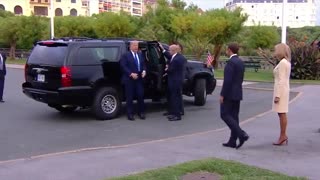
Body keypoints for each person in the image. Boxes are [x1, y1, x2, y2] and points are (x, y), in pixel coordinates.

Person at [220, 42, 249, 149]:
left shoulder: (231, 63)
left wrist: (222, 94)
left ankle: (241, 134)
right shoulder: (240, 62)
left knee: (224, 114)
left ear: (229, 50)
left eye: (227, 49)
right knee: (234, 116)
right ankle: (232, 140)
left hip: (229, 94)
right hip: (237, 92)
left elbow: (227, 81)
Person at [120, 41, 146, 121]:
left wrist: (144, 71)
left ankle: (141, 112)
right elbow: (123, 66)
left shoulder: (140, 54)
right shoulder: (126, 55)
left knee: (140, 95)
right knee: (129, 97)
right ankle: (130, 114)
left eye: (137, 45)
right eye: (134, 45)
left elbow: (143, 64)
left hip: (139, 79)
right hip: (129, 79)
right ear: (130, 46)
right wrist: (131, 74)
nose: (136, 47)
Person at [159, 44, 185, 121]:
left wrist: (167, 68)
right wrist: (162, 49)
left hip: (175, 81)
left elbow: (171, 70)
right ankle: (173, 112)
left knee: (175, 98)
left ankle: (177, 115)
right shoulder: (176, 57)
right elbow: (169, 57)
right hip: (174, 81)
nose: (169, 51)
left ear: (173, 51)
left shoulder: (177, 59)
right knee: (173, 97)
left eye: (169, 50)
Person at [272, 43, 291, 146]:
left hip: (281, 90)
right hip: (283, 89)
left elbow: (281, 80)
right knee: (281, 113)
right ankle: (282, 135)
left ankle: (283, 135)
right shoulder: (284, 62)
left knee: (282, 113)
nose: (275, 52)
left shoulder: (283, 63)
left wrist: (278, 95)